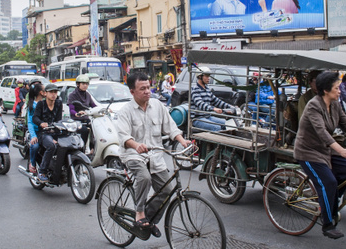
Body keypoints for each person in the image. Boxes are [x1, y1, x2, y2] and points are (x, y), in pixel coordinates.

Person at [294, 71, 346, 239]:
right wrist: (341, 150)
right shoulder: (314, 105)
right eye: (337, 88)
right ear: (326, 91)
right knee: (328, 182)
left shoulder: (335, 104)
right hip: (308, 151)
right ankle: (328, 224)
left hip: (324, 150)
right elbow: (322, 133)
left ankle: (332, 200)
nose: (340, 91)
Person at [115, 72, 190, 237]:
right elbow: (123, 137)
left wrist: (182, 141)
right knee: (145, 178)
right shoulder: (125, 112)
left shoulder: (157, 105)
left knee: (167, 191)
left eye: (148, 87)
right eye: (142, 89)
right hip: (133, 155)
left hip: (155, 155)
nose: (147, 91)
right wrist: (136, 145)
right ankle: (140, 212)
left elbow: (170, 127)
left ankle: (148, 221)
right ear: (132, 91)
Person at [32, 83, 63, 182]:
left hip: (55, 131)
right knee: (51, 146)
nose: (54, 94)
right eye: (51, 92)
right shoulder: (41, 104)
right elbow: (34, 118)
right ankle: (42, 171)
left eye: (55, 92)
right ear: (45, 93)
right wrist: (41, 123)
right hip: (43, 133)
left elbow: (59, 119)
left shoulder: (58, 103)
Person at [191, 66, 237, 131]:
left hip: (207, 117)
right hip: (197, 119)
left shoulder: (207, 89)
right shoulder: (195, 89)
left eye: (209, 76)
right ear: (200, 76)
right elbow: (200, 104)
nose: (208, 78)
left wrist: (230, 106)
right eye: (206, 76)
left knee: (226, 123)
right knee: (216, 127)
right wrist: (214, 109)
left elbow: (217, 101)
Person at [67, 74, 97, 148]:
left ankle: (93, 149)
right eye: (83, 84)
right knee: (85, 131)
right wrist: (77, 113)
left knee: (96, 129)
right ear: (78, 84)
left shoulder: (87, 95)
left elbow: (93, 105)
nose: (85, 85)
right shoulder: (72, 95)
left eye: (87, 84)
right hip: (76, 121)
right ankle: (81, 149)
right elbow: (71, 109)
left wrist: (103, 110)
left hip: (86, 119)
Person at [26, 82, 44, 174]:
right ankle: (32, 163)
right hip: (34, 132)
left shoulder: (46, 103)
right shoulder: (32, 106)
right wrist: (33, 136)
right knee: (35, 146)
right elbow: (30, 122)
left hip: (45, 132)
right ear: (41, 92)